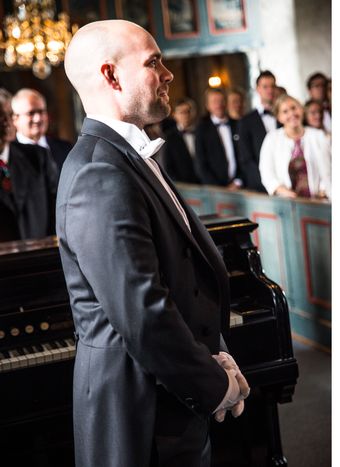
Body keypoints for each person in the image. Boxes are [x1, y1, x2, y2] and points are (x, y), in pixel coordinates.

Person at [58, 20, 249, 466]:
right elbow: (142, 311)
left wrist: (217, 355)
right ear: (111, 75)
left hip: (170, 395)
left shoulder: (128, 153)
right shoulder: (98, 171)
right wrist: (214, 384)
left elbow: (182, 280)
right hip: (140, 412)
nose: (168, 74)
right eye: (153, 62)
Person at [0, 101, 57, 242]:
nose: (7, 122)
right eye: (0, 116)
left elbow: (56, 206)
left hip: (41, 249)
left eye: (10, 115)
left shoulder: (38, 156)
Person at [259, 95, 331, 199]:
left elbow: (329, 168)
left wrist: (323, 190)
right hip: (285, 201)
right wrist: (280, 189)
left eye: (294, 108)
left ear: (301, 109)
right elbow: (266, 171)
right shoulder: (272, 139)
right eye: (285, 111)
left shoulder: (319, 136)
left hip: (318, 200)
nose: (291, 113)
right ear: (279, 117)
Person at [195, 88, 250, 189]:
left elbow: (245, 156)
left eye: (221, 100)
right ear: (208, 106)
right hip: (214, 190)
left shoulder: (238, 125)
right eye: (214, 101)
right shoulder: (201, 129)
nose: (219, 104)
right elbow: (200, 164)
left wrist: (238, 182)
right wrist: (218, 189)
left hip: (239, 187)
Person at [11, 88, 73, 172]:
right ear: (15, 118)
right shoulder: (8, 154)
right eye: (30, 113)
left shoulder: (65, 148)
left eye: (41, 112)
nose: (38, 119)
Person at [236, 70, 278, 192]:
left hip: (286, 183)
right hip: (259, 185)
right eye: (265, 87)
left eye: (272, 86)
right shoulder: (246, 121)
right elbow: (246, 157)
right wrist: (268, 182)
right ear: (257, 89)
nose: (270, 90)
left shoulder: (285, 117)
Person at [162, 97, 200, 184]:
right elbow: (168, 167)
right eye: (181, 112)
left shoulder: (201, 132)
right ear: (174, 115)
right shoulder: (169, 138)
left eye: (188, 111)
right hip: (183, 186)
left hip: (206, 184)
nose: (186, 115)